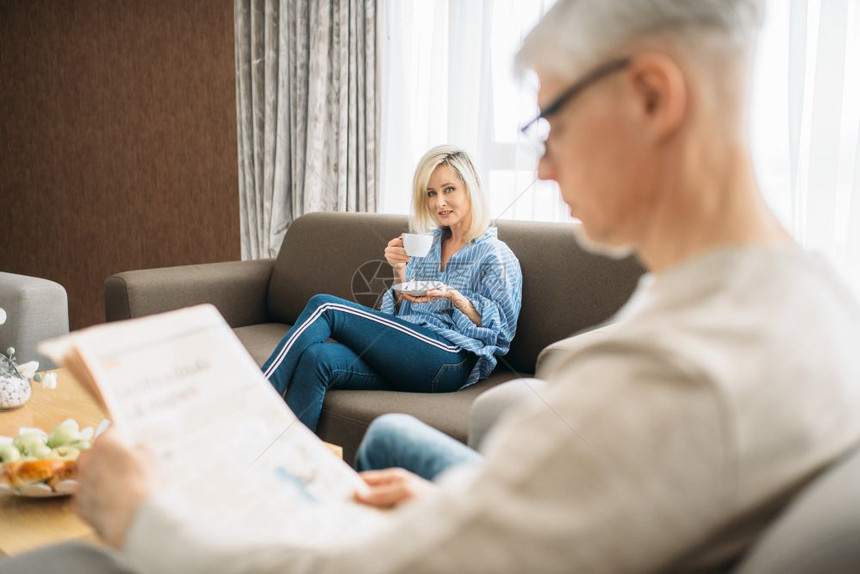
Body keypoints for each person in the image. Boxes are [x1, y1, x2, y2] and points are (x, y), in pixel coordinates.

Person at [7, 1, 860, 572]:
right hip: (459, 424)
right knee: (364, 399)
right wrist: (477, 495)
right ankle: (270, 443)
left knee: (74, 555)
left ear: (649, 96)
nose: (544, 161)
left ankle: (221, 440)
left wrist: (143, 518)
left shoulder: (667, 372)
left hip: (455, 367)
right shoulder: (807, 299)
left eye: (550, 120)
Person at [260, 145, 522, 430]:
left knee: (325, 306)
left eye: (449, 190)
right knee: (317, 358)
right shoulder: (429, 245)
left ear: (470, 189)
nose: (439, 203)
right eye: (431, 193)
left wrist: (456, 298)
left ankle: (255, 397)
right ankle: (292, 463)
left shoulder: (496, 255)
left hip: (450, 358)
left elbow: (502, 333)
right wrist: (399, 272)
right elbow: (403, 315)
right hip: (412, 354)